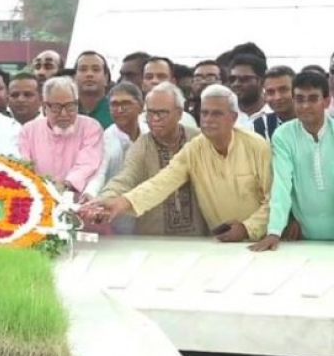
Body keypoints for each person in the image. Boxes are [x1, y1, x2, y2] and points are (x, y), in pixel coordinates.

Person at [86, 84, 271, 243]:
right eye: (205, 113)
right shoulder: (193, 148)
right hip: (206, 244)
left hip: (253, 240)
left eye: (216, 114)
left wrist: (248, 228)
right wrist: (117, 202)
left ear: (233, 117)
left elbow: (276, 198)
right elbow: (159, 183)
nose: (208, 120)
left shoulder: (255, 146)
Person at [93, 82, 207, 237]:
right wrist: (106, 198)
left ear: (180, 113)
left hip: (199, 240)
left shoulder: (199, 140)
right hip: (152, 241)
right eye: (150, 113)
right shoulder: (142, 145)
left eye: (162, 113)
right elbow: (125, 178)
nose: (154, 119)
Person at [250, 72, 334, 251]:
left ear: (326, 101)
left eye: (313, 99)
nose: (305, 106)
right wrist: (274, 231)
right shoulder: (284, 135)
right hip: (303, 237)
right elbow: (281, 183)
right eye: (300, 99)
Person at [19, 76, 103, 194]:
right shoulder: (28, 131)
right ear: (44, 107)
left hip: (78, 200)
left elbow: (88, 163)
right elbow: (24, 165)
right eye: (56, 108)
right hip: (39, 197)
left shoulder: (90, 127)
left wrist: (67, 184)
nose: (64, 114)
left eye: (70, 107)